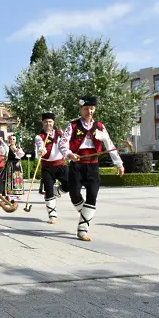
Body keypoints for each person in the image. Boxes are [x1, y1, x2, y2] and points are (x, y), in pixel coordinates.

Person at [59, 96, 124, 241]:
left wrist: (119, 164)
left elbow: (109, 145)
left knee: (92, 196)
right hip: (77, 164)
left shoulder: (100, 126)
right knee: (74, 195)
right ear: (81, 109)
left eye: (92, 108)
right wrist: (69, 154)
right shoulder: (73, 125)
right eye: (87, 108)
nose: (90, 111)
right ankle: (86, 214)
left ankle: (82, 230)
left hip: (93, 166)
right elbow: (62, 144)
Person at [35, 112, 69, 224]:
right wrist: (41, 151)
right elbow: (40, 147)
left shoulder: (60, 133)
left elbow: (65, 145)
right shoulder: (39, 137)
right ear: (42, 123)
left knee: (69, 184)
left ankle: (57, 191)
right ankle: (52, 215)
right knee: (48, 190)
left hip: (61, 164)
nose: (48, 124)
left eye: (50, 122)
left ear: (53, 123)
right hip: (47, 167)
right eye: (46, 122)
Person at [4, 134, 25, 202]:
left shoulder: (18, 148)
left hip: (17, 165)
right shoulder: (7, 147)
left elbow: (21, 154)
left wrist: (16, 150)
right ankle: (10, 195)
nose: (12, 140)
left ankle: (17, 194)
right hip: (10, 165)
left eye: (13, 139)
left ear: (16, 141)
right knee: (10, 179)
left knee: (17, 179)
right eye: (11, 139)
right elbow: (5, 154)